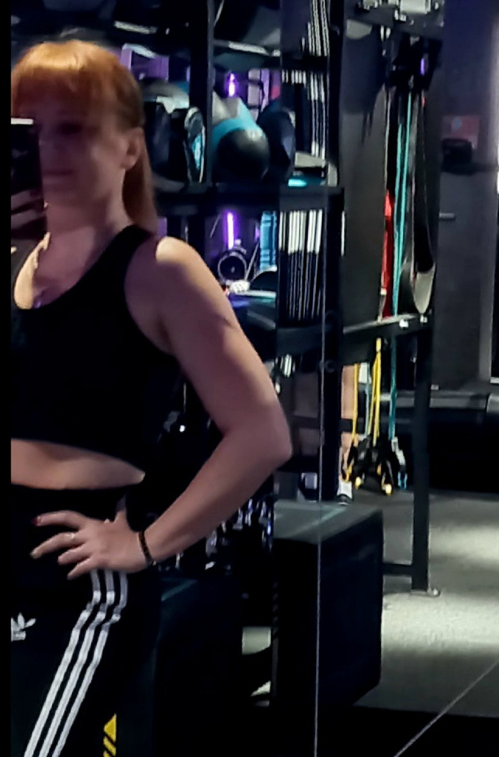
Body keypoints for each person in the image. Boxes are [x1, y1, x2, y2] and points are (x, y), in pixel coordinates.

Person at [10, 40, 293, 756]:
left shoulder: (159, 269)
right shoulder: (16, 263)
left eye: (74, 129)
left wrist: (144, 544)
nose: (50, 150)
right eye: (32, 130)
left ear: (131, 148)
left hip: (76, 575)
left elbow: (263, 433)